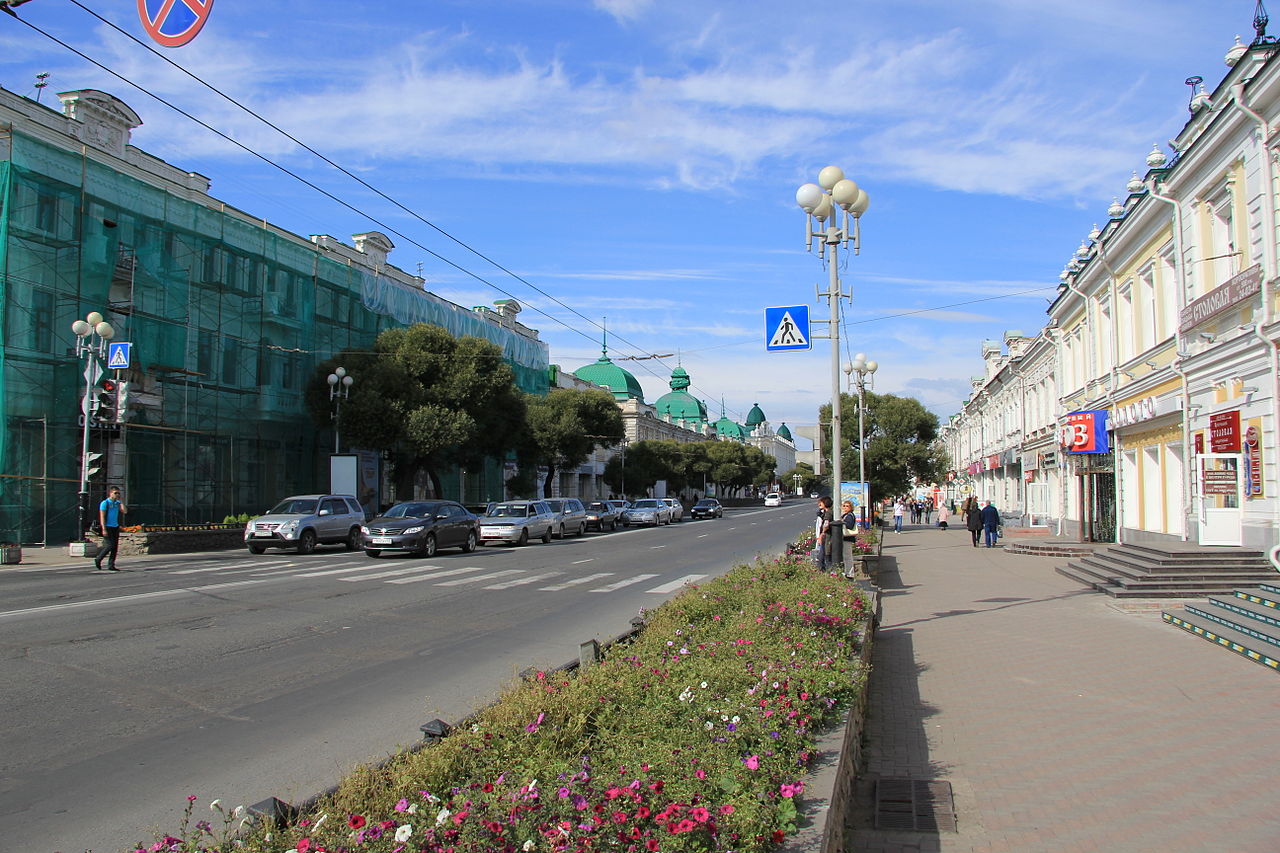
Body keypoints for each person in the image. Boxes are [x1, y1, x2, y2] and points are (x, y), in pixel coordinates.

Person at [94, 485, 127, 571]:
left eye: (118, 493)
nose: (117, 495)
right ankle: (98, 559)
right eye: (115, 493)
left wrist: (122, 501)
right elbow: (102, 516)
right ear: (110, 493)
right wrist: (104, 528)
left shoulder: (117, 503)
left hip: (115, 526)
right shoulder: (105, 503)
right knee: (110, 545)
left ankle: (111, 564)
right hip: (107, 526)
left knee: (115, 547)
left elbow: (125, 511)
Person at [814, 495, 833, 570]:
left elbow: (826, 524)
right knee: (822, 555)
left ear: (825, 503)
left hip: (827, 537)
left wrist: (822, 533)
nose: (819, 504)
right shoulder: (826, 512)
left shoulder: (828, 513)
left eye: (821, 503)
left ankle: (826, 571)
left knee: (824, 556)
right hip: (826, 537)